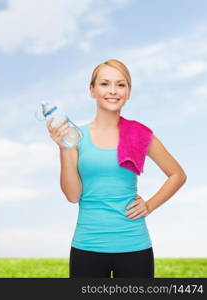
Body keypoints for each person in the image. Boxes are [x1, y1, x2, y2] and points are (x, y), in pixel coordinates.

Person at [46, 59, 187, 278]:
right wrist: (64, 148)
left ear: (128, 92)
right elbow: (73, 196)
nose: (113, 91)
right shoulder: (76, 137)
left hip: (134, 247)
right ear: (92, 90)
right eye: (105, 84)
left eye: (121, 85)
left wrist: (149, 205)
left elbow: (177, 174)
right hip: (87, 247)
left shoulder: (140, 134)